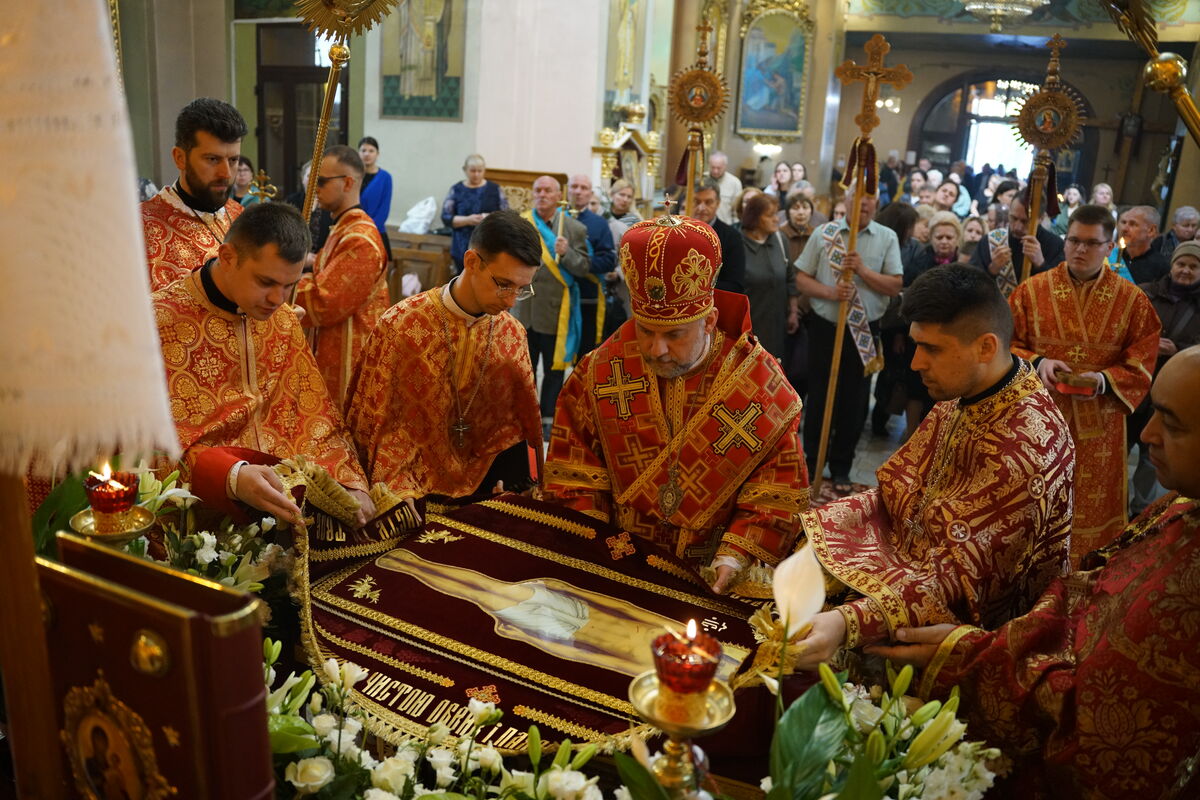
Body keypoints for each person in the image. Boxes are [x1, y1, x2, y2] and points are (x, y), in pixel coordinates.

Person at [866, 345, 1200, 800]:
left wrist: (967, 658)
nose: (1147, 436)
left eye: (1174, 424)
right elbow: (1084, 590)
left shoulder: (1029, 433)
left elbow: (1103, 734)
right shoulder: (1181, 504)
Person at [796, 265, 1074, 667]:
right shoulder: (964, 395)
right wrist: (811, 527)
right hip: (904, 574)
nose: (914, 364)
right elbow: (898, 493)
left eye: (933, 349)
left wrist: (847, 622)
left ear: (985, 347)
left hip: (964, 642)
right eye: (915, 344)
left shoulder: (1025, 448)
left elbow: (962, 580)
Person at [542, 215, 808, 592]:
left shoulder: (758, 385)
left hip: (711, 573)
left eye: (675, 334)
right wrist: (593, 543)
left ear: (710, 320)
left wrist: (734, 554)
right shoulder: (599, 372)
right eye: (645, 330)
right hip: (616, 563)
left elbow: (776, 486)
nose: (656, 349)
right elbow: (574, 469)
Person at [152, 203, 371, 525]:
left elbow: (317, 419)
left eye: (289, 286)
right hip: (197, 515)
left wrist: (350, 481)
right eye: (266, 282)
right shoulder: (156, 324)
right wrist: (229, 477)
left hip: (287, 509)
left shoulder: (281, 321)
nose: (278, 300)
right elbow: (136, 446)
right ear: (227, 257)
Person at [345, 210, 543, 505]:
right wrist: (393, 488)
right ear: (472, 262)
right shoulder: (401, 324)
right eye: (503, 284)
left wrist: (517, 486)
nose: (511, 300)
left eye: (521, 289)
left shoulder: (512, 335)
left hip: (486, 489)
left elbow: (515, 428)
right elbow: (373, 424)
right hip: (409, 491)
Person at [1009, 204, 1160, 564]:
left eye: (1091, 243)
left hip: (1099, 427)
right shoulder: (1031, 291)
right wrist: (1039, 362)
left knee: (1088, 515)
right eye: (1074, 240)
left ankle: (1081, 583)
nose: (1080, 249)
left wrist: (1105, 380)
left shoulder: (1133, 301)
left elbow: (1143, 358)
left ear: (1109, 246)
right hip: (1038, 423)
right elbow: (1005, 345)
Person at [795, 190, 902, 493]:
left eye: (870, 197)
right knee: (819, 396)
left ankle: (841, 466)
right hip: (825, 328)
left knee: (854, 402)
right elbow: (801, 277)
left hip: (864, 329)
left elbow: (895, 285)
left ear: (876, 203)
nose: (864, 203)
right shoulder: (824, 234)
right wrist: (830, 293)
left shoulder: (886, 237)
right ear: (847, 201)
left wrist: (863, 271)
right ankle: (813, 461)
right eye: (859, 196)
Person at [294, 145, 390, 403]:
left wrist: (274, 288)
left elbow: (325, 300)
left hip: (349, 362)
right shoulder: (342, 228)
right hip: (331, 349)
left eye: (322, 181)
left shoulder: (360, 238)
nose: (315, 188)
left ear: (348, 183)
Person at [141, 97, 248, 291]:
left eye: (233, 160)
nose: (226, 173)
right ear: (180, 158)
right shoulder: (140, 229)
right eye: (213, 159)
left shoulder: (240, 216)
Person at [1127, 241, 1200, 514]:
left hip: (1177, 391)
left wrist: (1178, 350)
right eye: (1181, 264)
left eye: (1193, 266)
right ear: (1172, 266)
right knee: (1121, 447)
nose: (1186, 271)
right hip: (1138, 383)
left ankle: (1141, 510)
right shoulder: (1147, 293)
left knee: (1153, 455)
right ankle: (1113, 502)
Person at [516, 176, 591, 436]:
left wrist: (567, 252)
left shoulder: (573, 229)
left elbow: (584, 268)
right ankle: (526, 417)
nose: (542, 194)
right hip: (524, 308)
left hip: (555, 311)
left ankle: (548, 418)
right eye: (538, 190)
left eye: (548, 190)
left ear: (559, 195)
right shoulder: (521, 223)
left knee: (553, 368)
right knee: (524, 368)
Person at [740, 192, 797, 360]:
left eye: (776, 214)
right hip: (749, 328)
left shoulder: (780, 240)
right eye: (770, 215)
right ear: (755, 217)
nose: (776, 219)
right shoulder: (738, 244)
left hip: (778, 327)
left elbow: (790, 277)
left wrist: (793, 312)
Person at [969, 192, 1064, 289]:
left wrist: (1041, 265)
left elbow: (1062, 291)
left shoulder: (1056, 245)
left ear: (1041, 218)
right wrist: (992, 270)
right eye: (1013, 218)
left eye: (1025, 221)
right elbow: (970, 284)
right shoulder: (991, 240)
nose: (1017, 227)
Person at [566, 173, 617, 355]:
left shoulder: (599, 224)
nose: (578, 191)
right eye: (574, 186)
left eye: (584, 188)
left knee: (584, 354)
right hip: (556, 299)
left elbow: (608, 260)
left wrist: (578, 263)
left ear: (589, 194)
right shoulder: (554, 219)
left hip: (587, 297)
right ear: (567, 190)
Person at [442, 154, 508, 273]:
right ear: (465, 170)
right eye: (473, 171)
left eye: (480, 171)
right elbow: (446, 217)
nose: (476, 174)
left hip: (489, 243)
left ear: (484, 170)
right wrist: (468, 220)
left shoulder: (494, 189)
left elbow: (507, 216)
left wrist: (489, 218)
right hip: (462, 243)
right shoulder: (456, 189)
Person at [690, 178, 746, 294]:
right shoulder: (677, 233)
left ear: (718, 203)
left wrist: (696, 288)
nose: (701, 208)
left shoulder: (731, 237)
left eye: (708, 202)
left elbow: (735, 285)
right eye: (696, 201)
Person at [1116, 205, 1170, 284]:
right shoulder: (1109, 256)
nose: (1124, 229)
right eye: (1124, 223)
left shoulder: (1161, 267)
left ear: (1151, 231)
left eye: (1132, 224)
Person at [357, 136, 393, 248]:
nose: (367, 154)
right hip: (353, 231)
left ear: (377, 154)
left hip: (375, 232)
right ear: (358, 153)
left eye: (371, 151)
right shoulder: (353, 176)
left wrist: (367, 230)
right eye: (363, 150)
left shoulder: (385, 177)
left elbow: (384, 209)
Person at [708, 151, 743, 225]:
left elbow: (737, 210)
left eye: (719, 168)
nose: (715, 171)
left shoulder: (735, 183)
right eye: (713, 167)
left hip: (725, 226)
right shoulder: (701, 179)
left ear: (725, 166)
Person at [780, 192, 815, 264]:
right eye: (795, 208)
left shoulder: (816, 234)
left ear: (811, 212)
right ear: (787, 213)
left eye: (805, 207)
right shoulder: (779, 235)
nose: (801, 212)